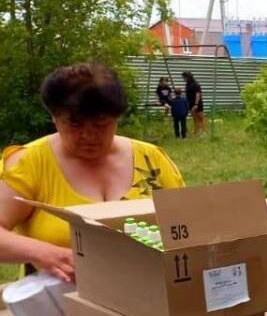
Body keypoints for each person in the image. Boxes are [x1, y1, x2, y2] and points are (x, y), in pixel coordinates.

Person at [0, 63, 185, 282]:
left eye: (100, 124)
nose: (88, 135)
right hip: (61, 305)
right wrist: (44, 253)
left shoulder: (151, 159)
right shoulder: (29, 163)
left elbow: (187, 227)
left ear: (116, 118)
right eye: (75, 124)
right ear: (54, 117)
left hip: (148, 298)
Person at [182, 71, 206, 135]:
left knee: (200, 118)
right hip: (190, 103)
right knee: (195, 118)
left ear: (188, 77)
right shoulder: (188, 84)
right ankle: (196, 131)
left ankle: (203, 131)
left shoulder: (196, 84)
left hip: (197, 103)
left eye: (184, 77)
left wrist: (196, 104)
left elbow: (198, 94)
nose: (183, 79)